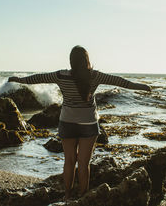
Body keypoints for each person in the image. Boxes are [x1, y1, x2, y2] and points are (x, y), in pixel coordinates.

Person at [8, 45, 151, 200]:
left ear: (71, 61)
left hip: (67, 122)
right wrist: (141, 86)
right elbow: (119, 81)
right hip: (88, 123)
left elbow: (39, 78)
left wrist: (19, 80)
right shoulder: (95, 76)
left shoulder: (61, 75)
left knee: (69, 162)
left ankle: (67, 195)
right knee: (84, 164)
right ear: (87, 60)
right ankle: (83, 197)